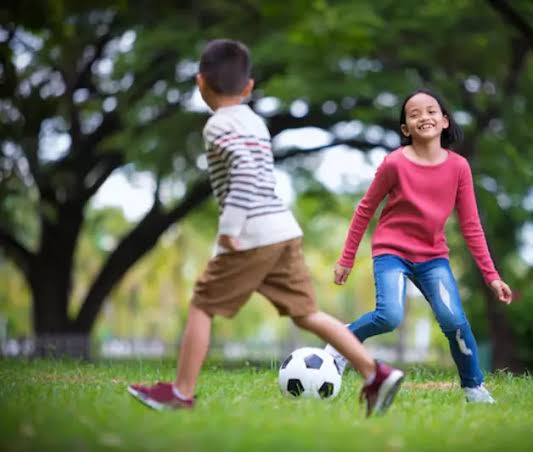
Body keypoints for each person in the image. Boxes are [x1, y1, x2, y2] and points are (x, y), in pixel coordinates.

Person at [128, 39, 404, 416]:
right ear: (248, 87)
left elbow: (242, 170)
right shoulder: (255, 122)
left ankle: (181, 392)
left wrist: (230, 227)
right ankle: (375, 373)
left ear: (200, 82)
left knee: (202, 305)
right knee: (306, 314)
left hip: (251, 233)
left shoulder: (216, 126)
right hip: (283, 229)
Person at [326, 88, 512, 403]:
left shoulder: (459, 168)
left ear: (443, 121)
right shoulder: (394, 164)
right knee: (389, 316)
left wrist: (492, 276)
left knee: (454, 320)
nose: (423, 117)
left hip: (433, 258)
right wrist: (346, 259)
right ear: (405, 129)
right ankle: (342, 341)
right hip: (391, 252)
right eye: (414, 114)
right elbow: (365, 209)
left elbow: (470, 225)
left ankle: (473, 386)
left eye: (430, 111)